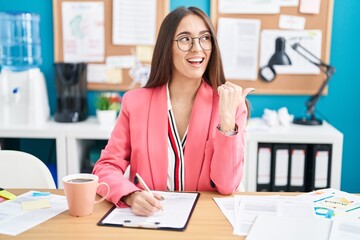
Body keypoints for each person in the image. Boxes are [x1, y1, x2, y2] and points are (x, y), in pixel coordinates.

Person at [93, 6, 254, 216]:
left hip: (206, 220)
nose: (197, 48)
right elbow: (105, 167)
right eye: (185, 39)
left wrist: (227, 120)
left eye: (205, 38)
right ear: (167, 48)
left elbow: (227, 186)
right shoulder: (135, 103)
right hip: (151, 221)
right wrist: (131, 195)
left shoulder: (229, 104)